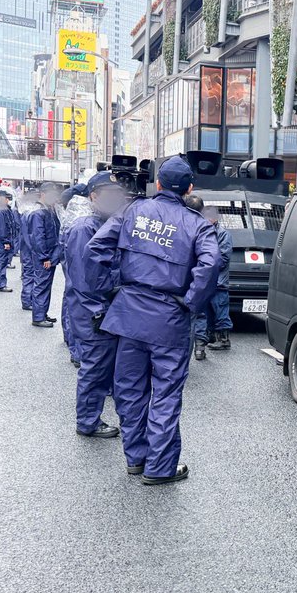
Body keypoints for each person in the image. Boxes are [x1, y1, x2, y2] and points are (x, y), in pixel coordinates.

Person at [88, 155, 218, 484]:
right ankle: (159, 467)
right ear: (189, 188)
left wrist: (111, 291)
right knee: (165, 393)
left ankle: (135, 458)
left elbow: (96, 248)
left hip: (129, 314)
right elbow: (210, 265)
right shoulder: (197, 224)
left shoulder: (132, 211)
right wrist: (190, 303)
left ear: (157, 183)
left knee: (129, 390)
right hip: (169, 319)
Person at [67, 173, 128, 437]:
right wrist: (99, 312)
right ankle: (88, 422)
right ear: (93, 197)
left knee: (103, 367)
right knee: (94, 369)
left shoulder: (106, 225)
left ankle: (92, 416)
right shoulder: (84, 229)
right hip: (94, 311)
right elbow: (84, 279)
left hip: (106, 311)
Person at [184, 195, 233, 361]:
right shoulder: (201, 230)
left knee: (220, 311)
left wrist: (205, 268)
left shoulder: (223, 234)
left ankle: (223, 340)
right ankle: (204, 343)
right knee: (203, 314)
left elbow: (223, 259)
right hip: (205, 280)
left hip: (218, 281)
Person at [60, 184, 92, 365]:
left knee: (72, 300)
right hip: (78, 268)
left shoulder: (72, 214)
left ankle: (72, 342)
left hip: (71, 265)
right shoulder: (82, 221)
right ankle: (77, 350)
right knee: (79, 305)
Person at [22, 183, 62, 328]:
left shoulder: (48, 210)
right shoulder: (38, 213)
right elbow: (37, 237)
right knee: (41, 285)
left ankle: (42, 313)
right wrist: (44, 257)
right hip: (44, 257)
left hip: (50, 255)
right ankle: (38, 317)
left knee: (46, 285)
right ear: (43, 194)